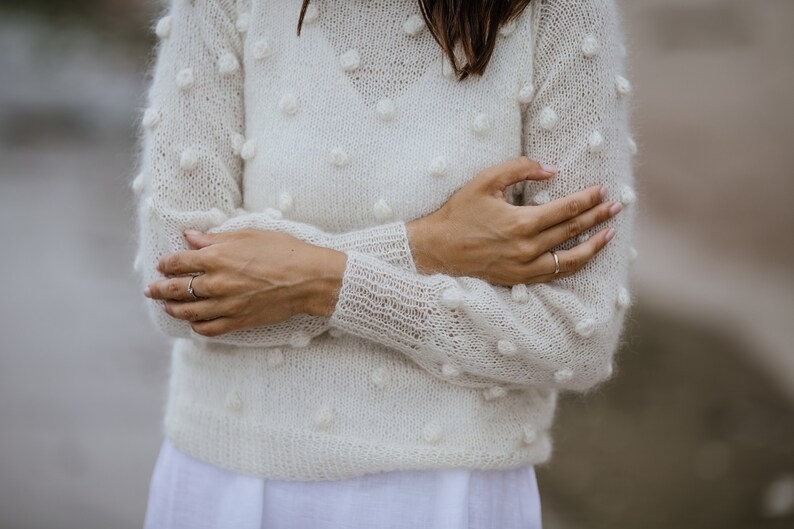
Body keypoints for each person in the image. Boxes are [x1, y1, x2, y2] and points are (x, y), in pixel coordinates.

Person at [134, 0, 637, 527]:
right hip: (231, 480)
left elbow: (579, 337)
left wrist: (318, 280)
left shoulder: (563, 11)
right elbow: (177, 288)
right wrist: (427, 246)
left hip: (453, 493)